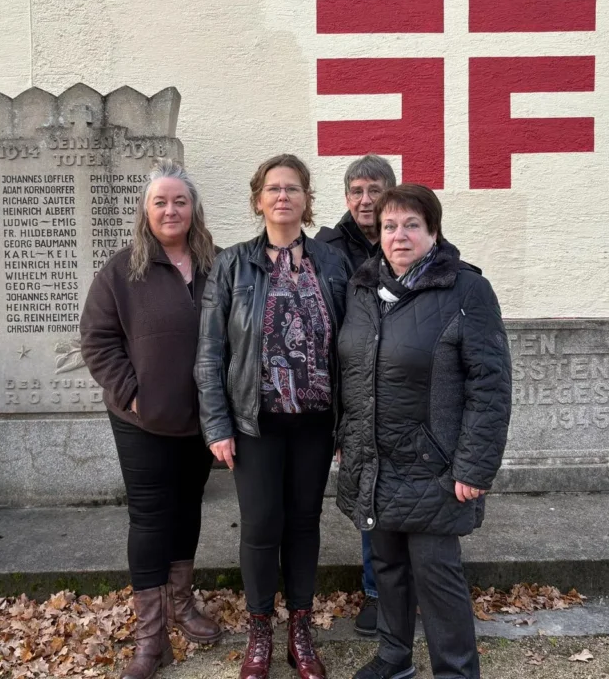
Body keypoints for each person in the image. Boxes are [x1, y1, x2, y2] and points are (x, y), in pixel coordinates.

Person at [336, 184, 512, 679]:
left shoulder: (467, 290)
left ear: (433, 231)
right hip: (376, 460)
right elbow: (350, 369)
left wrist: (474, 466)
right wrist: (346, 439)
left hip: (435, 465)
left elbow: (490, 385)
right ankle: (394, 659)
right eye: (390, 226)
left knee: (437, 576)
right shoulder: (362, 288)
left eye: (412, 225)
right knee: (388, 567)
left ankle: (455, 672)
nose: (399, 235)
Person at [195, 154, 351, 679]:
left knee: (304, 524)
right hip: (254, 422)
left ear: (307, 200)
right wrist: (217, 425)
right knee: (262, 525)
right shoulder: (233, 264)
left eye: (293, 188)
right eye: (273, 188)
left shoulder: (332, 263)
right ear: (258, 200)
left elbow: (352, 346)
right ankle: (259, 630)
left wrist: (347, 423)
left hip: (316, 421)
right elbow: (209, 351)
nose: (283, 196)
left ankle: (299, 631)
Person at [80, 159, 222, 679]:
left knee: (187, 508)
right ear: (145, 210)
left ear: (194, 209)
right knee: (149, 518)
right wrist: (134, 397)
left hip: (202, 419)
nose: (170, 210)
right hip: (141, 421)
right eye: (160, 201)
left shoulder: (218, 265)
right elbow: (97, 340)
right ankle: (151, 637)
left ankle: (181, 604)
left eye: (180, 201)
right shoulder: (122, 270)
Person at [315, 153, 396, 636]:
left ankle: (410, 587)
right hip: (351, 389)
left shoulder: (407, 235)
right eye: (357, 191)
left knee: (406, 492)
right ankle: (377, 592)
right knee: (369, 492)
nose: (366, 200)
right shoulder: (325, 249)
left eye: (375, 190)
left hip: (401, 386)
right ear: (346, 197)